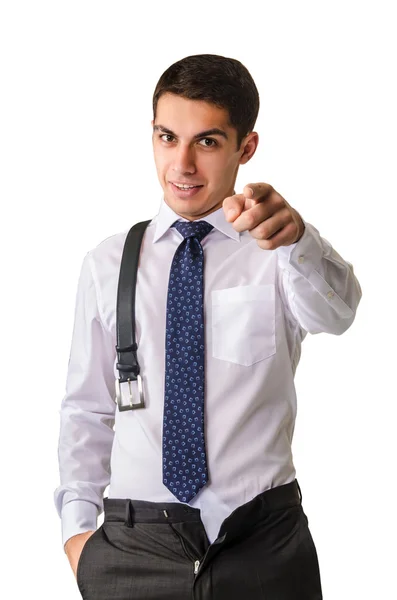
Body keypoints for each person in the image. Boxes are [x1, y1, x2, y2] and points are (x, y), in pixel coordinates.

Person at [54, 53, 362, 599]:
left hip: (263, 543)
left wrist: (298, 242)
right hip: (133, 549)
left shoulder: (279, 249)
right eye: (167, 137)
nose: (182, 164)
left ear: (246, 147)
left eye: (208, 142)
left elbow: (338, 314)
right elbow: (87, 407)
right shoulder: (108, 263)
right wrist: (78, 535)